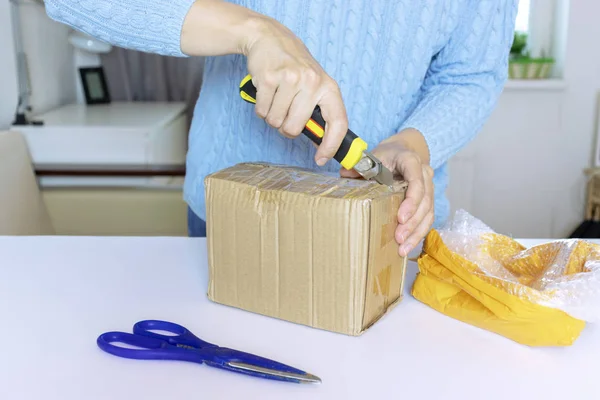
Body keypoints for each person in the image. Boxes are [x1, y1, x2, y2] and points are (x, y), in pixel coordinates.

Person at [45, 0, 518, 256]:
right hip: (232, 220)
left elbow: (471, 76)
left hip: (388, 227)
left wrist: (411, 141)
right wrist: (253, 30)